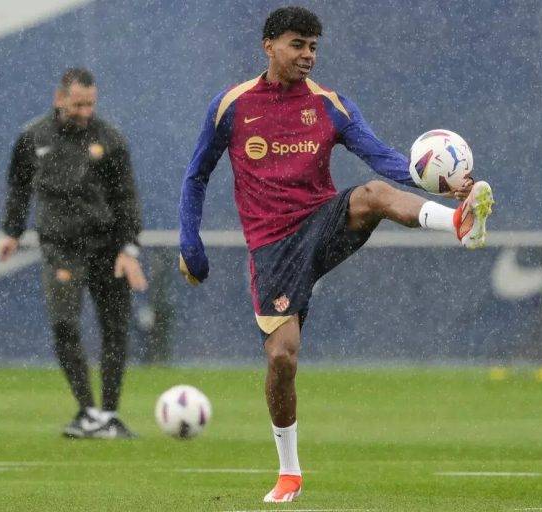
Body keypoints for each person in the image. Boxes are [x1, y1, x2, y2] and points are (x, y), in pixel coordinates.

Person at [178, 6, 494, 503]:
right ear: (269, 45)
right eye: (297, 45)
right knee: (282, 359)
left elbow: (382, 156)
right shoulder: (232, 105)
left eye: (313, 47)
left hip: (324, 222)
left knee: (371, 193)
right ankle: (289, 471)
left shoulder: (329, 106)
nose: (307, 56)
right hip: (272, 247)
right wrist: (190, 243)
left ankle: (457, 223)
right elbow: (196, 175)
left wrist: (445, 183)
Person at [0, 68, 147, 439]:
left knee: (114, 330)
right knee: (63, 324)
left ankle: (109, 414)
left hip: (108, 246)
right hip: (61, 248)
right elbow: (18, 187)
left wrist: (129, 247)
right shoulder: (33, 137)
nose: (84, 111)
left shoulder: (110, 139)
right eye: (78, 104)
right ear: (59, 98)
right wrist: (12, 232)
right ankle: (88, 411)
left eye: (90, 104)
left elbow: (127, 198)